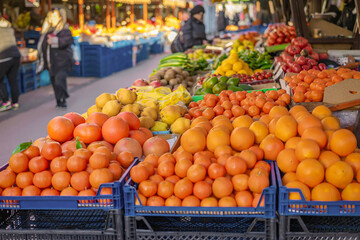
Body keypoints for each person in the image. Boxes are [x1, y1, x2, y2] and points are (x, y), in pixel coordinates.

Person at [37, 9, 73, 108]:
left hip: (62, 61)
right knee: (54, 81)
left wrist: (53, 40)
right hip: (51, 62)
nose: (52, 19)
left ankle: (63, 99)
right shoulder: (48, 30)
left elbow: (67, 41)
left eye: (55, 17)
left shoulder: (64, 29)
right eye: (51, 17)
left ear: (60, 18)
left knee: (59, 80)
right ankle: (58, 99)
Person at [0, 15, 21, 112]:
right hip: (15, 55)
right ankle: (15, 102)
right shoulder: (8, 28)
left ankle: (5, 102)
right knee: (13, 80)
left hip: (3, 57)